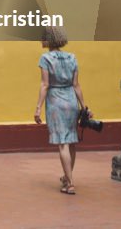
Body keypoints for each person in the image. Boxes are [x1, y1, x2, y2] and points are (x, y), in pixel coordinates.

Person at [34, 25, 89, 195]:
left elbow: (45, 85)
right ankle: (67, 178)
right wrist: (84, 106)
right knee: (71, 142)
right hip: (71, 101)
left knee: (62, 143)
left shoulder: (46, 58)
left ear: (48, 40)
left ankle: (70, 183)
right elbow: (76, 85)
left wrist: (38, 108)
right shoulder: (72, 57)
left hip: (55, 101)